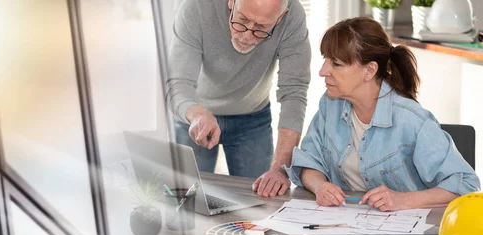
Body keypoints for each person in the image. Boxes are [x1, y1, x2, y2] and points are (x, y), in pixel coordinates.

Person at [284, 17, 480, 211]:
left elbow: (466, 187)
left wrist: (402, 200)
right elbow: (308, 161)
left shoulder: (412, 120)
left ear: (369, 70)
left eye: (336, 63)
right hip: (343, 226)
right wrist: (320, 187)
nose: (322, 71)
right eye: (324, 60)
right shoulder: (330, 105)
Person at [166, 0, 311, 198]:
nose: (247, 36)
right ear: (232, 2)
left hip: (253, 119)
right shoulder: (197, 5)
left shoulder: (293, 16)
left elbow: (294, 92)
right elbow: (177, 82)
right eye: (242, 20)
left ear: (281, 16)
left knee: (260, 205)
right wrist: (197, 114)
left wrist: (280, 168)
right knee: (186, 202)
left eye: (262, 27)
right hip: (194, 116)